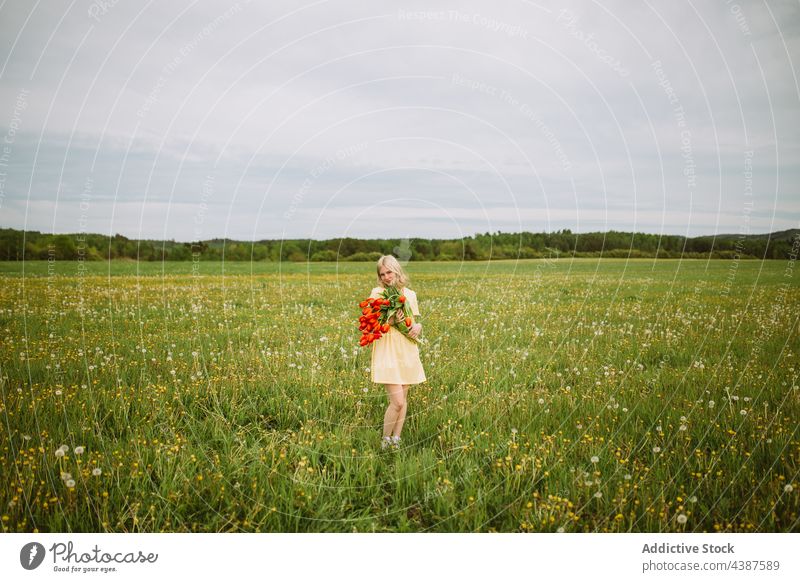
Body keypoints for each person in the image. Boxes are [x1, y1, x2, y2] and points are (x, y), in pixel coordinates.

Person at [368, 255, 425, 450]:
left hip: (407, 348)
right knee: (397, 401)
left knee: (404, 399)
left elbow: (413, 320)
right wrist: (390, 321)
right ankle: (385, 440)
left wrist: (418, 327)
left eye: (389, 272)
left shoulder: (410, 294)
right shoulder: (377, 293)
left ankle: (396, 440)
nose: (385, 277)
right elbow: (371, 324)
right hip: (387, 349)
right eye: (382, 274)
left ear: (397, 271)